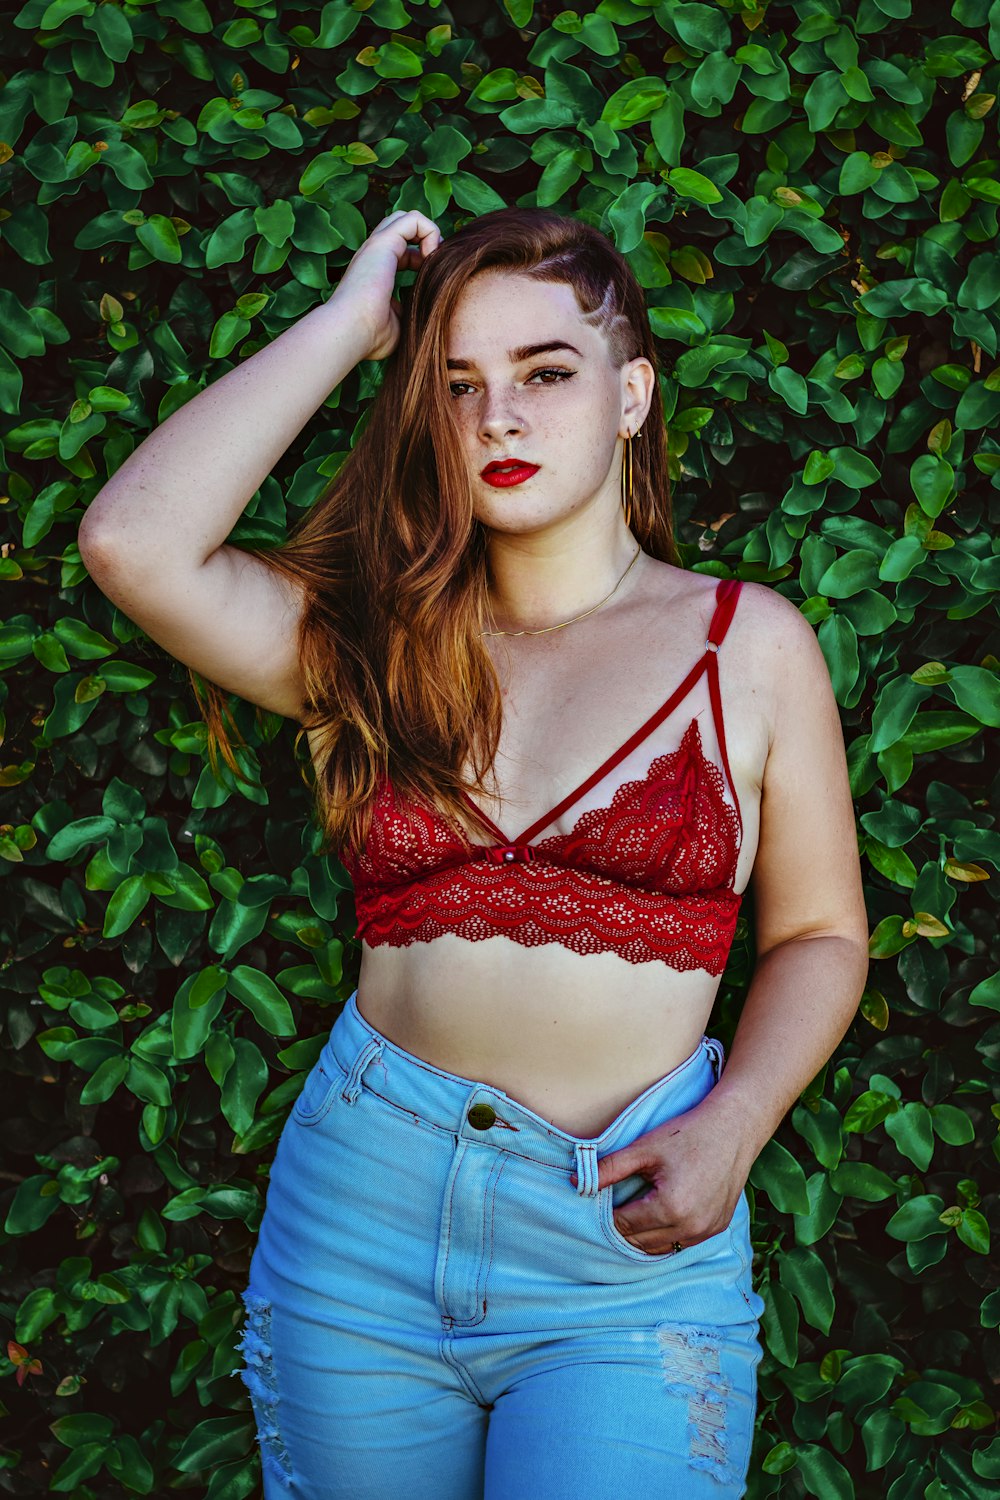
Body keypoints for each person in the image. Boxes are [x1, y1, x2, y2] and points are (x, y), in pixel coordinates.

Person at [77, 205, 869, 1499]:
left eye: (546, 372)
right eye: (458, 386)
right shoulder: (380, 643)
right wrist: (350, 329)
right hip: (363, 1223)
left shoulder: (751, 645)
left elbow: (822, 934)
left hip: (619, 1259)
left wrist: (739, 1120)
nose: (499, 416)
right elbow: (133, 544)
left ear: (632, 394)